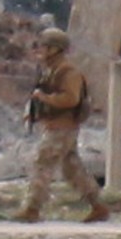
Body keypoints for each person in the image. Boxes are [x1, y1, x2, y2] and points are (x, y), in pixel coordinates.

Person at [20, 28, 107, 224]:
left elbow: (71, 99)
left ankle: (32, 208)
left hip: (62, 128)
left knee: (42, 164)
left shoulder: (68, 73)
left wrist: (45, 98)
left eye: (44, 46)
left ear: (55, 49)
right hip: (55, 125)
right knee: (72, 168)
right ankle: (98, 205)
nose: (40, 49)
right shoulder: (51, 71)